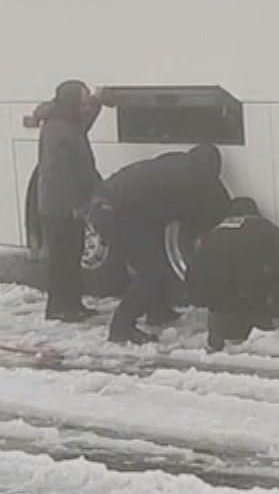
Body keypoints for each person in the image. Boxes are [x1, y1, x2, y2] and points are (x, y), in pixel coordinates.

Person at [88, 142, 231, 344]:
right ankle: (121, 326)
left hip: (107, 207)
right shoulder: (191, 179)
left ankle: (157, 310)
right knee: (150, 271)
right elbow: (195, 215)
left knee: (156, 257)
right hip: (114, 213)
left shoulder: (176, 163)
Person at [186, 197, 279, 351]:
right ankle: (253, 327)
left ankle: (220, 332)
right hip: (246, 294)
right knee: (249, 320)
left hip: (208, 294)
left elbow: (196, 268)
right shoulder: (266, 228)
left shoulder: (213, 231)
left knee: (224, 315)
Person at [33, 80, 102, 322]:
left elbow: (85, 122)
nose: (85, 102)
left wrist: (98, 100)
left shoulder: (68, 122)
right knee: (62, 259)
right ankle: (58, 308)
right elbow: (57, 172)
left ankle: (72, 304)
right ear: (72, 100)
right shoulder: (58, 128)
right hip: (58, 206)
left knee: (73, 256)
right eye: (83, 97)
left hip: (65, 204)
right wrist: (73, 204)